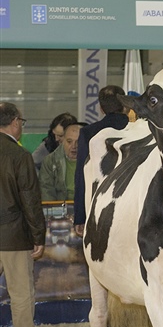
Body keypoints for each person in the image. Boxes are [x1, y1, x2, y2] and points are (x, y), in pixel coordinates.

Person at [0, 103, 53, 327]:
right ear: (14, 123)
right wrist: (38, 236)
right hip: (13, 235)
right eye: (21, 121)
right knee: (20, 293)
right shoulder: (20, 156)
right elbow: (30, 200)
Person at [73, 85, 128, 236]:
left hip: (100, 209)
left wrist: (80, 216)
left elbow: (82, 175)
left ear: (101, 108)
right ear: (125, 105)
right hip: (135, 206)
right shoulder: (139, 130)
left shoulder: (88, 133)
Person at [39, 123, 80, 201]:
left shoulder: (92, 160)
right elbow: (46, 192)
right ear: (63, 141)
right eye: (69, 141)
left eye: (78, 142)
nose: (74, 146)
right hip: (59, 209)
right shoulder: (50, 161)